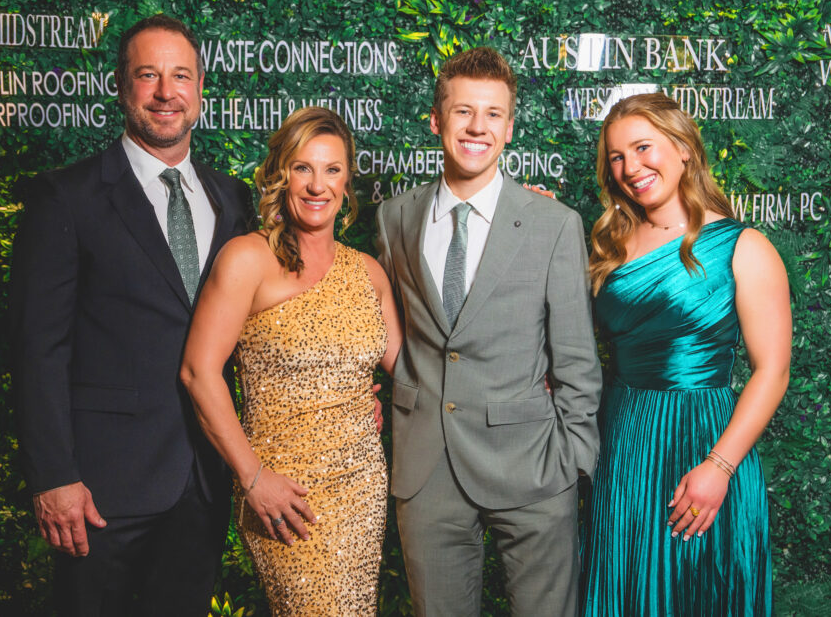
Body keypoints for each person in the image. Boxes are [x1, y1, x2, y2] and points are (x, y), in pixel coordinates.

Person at [9, 14, 254, 616]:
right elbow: (38, 349)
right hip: (99, 491)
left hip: (202, 481)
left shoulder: (233, 199)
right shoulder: (66, 197)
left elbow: (261, 327)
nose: (166, 92)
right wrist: (53, 476)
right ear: (121, 86)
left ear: (200, 89)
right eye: (148, 75)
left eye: (181, 76)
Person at [376, 47, 603, 616]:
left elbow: (577, 359)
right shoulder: (394, 218)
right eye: (463, 112)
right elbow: (390, 329)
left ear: (509, 127)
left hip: (533, 466)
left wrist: (573, 460)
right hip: (427, 466)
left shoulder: (554, 224)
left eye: (493, 114)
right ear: (436, 120)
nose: (478, 127)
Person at [179, 106, 402, 616]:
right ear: (281, 175)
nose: (317, 185)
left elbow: (415, 370)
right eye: (303, 168)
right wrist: (254, 478)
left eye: (332, 169)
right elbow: (197, 372)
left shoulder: (368, 272)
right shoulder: (247, 259)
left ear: (346, 182)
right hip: (283, 496)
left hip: (361, 489)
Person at [580, 93, 790, 615]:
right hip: (622, 441)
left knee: (698, 588)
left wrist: (719, 466)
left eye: (643, 147)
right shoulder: (610, 245)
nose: (631, 167)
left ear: (683, 149)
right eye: (617, 157)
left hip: (703, 439)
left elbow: (773, 371)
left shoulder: (744, 246)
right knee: (625, 585)